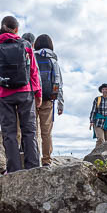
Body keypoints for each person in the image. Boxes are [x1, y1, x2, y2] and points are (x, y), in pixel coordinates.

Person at [0, 16, 42, 172]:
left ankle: (14, 169)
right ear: (16, 29)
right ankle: (33, 167)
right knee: (29, 130)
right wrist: (37, 92)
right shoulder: (25, 45)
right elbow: (33, 71)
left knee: (9, 133)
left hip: (3, 93)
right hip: (25, 92)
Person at [33, 34, 64, 166]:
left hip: (32, 98)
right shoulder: (54, 61)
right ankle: (46, 160)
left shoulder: (32, 57)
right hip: (48, 100)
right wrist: (60, 103)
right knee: (46, 133)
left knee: (32, 131)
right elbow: (58, 83)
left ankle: (33, 160)